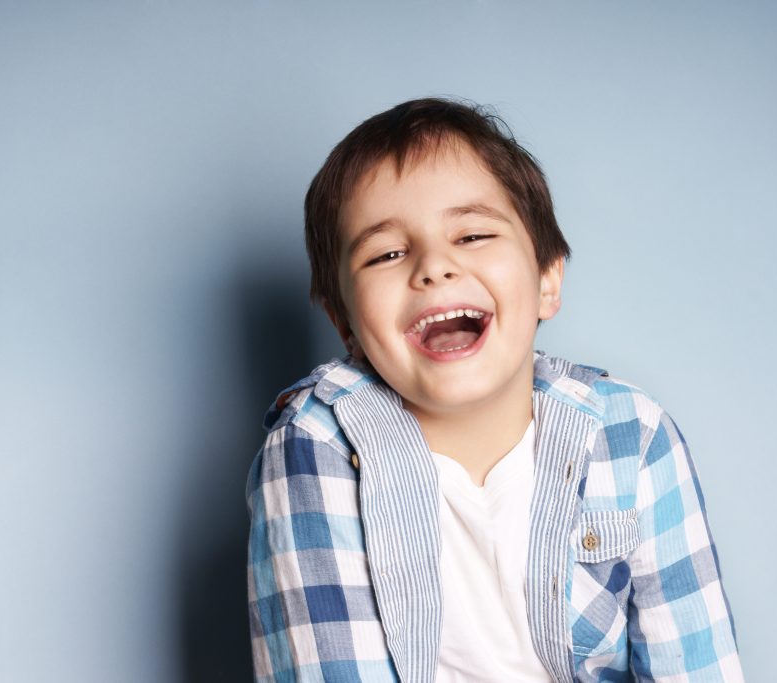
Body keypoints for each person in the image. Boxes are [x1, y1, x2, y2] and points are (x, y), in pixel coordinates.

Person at [245, 98, 743, 682]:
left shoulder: (632, 434)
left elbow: (697, 665)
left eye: (473, 235)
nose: (434, 267)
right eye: (387, 253)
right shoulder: (315, 444)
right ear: (345, 324)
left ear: (547, 279)